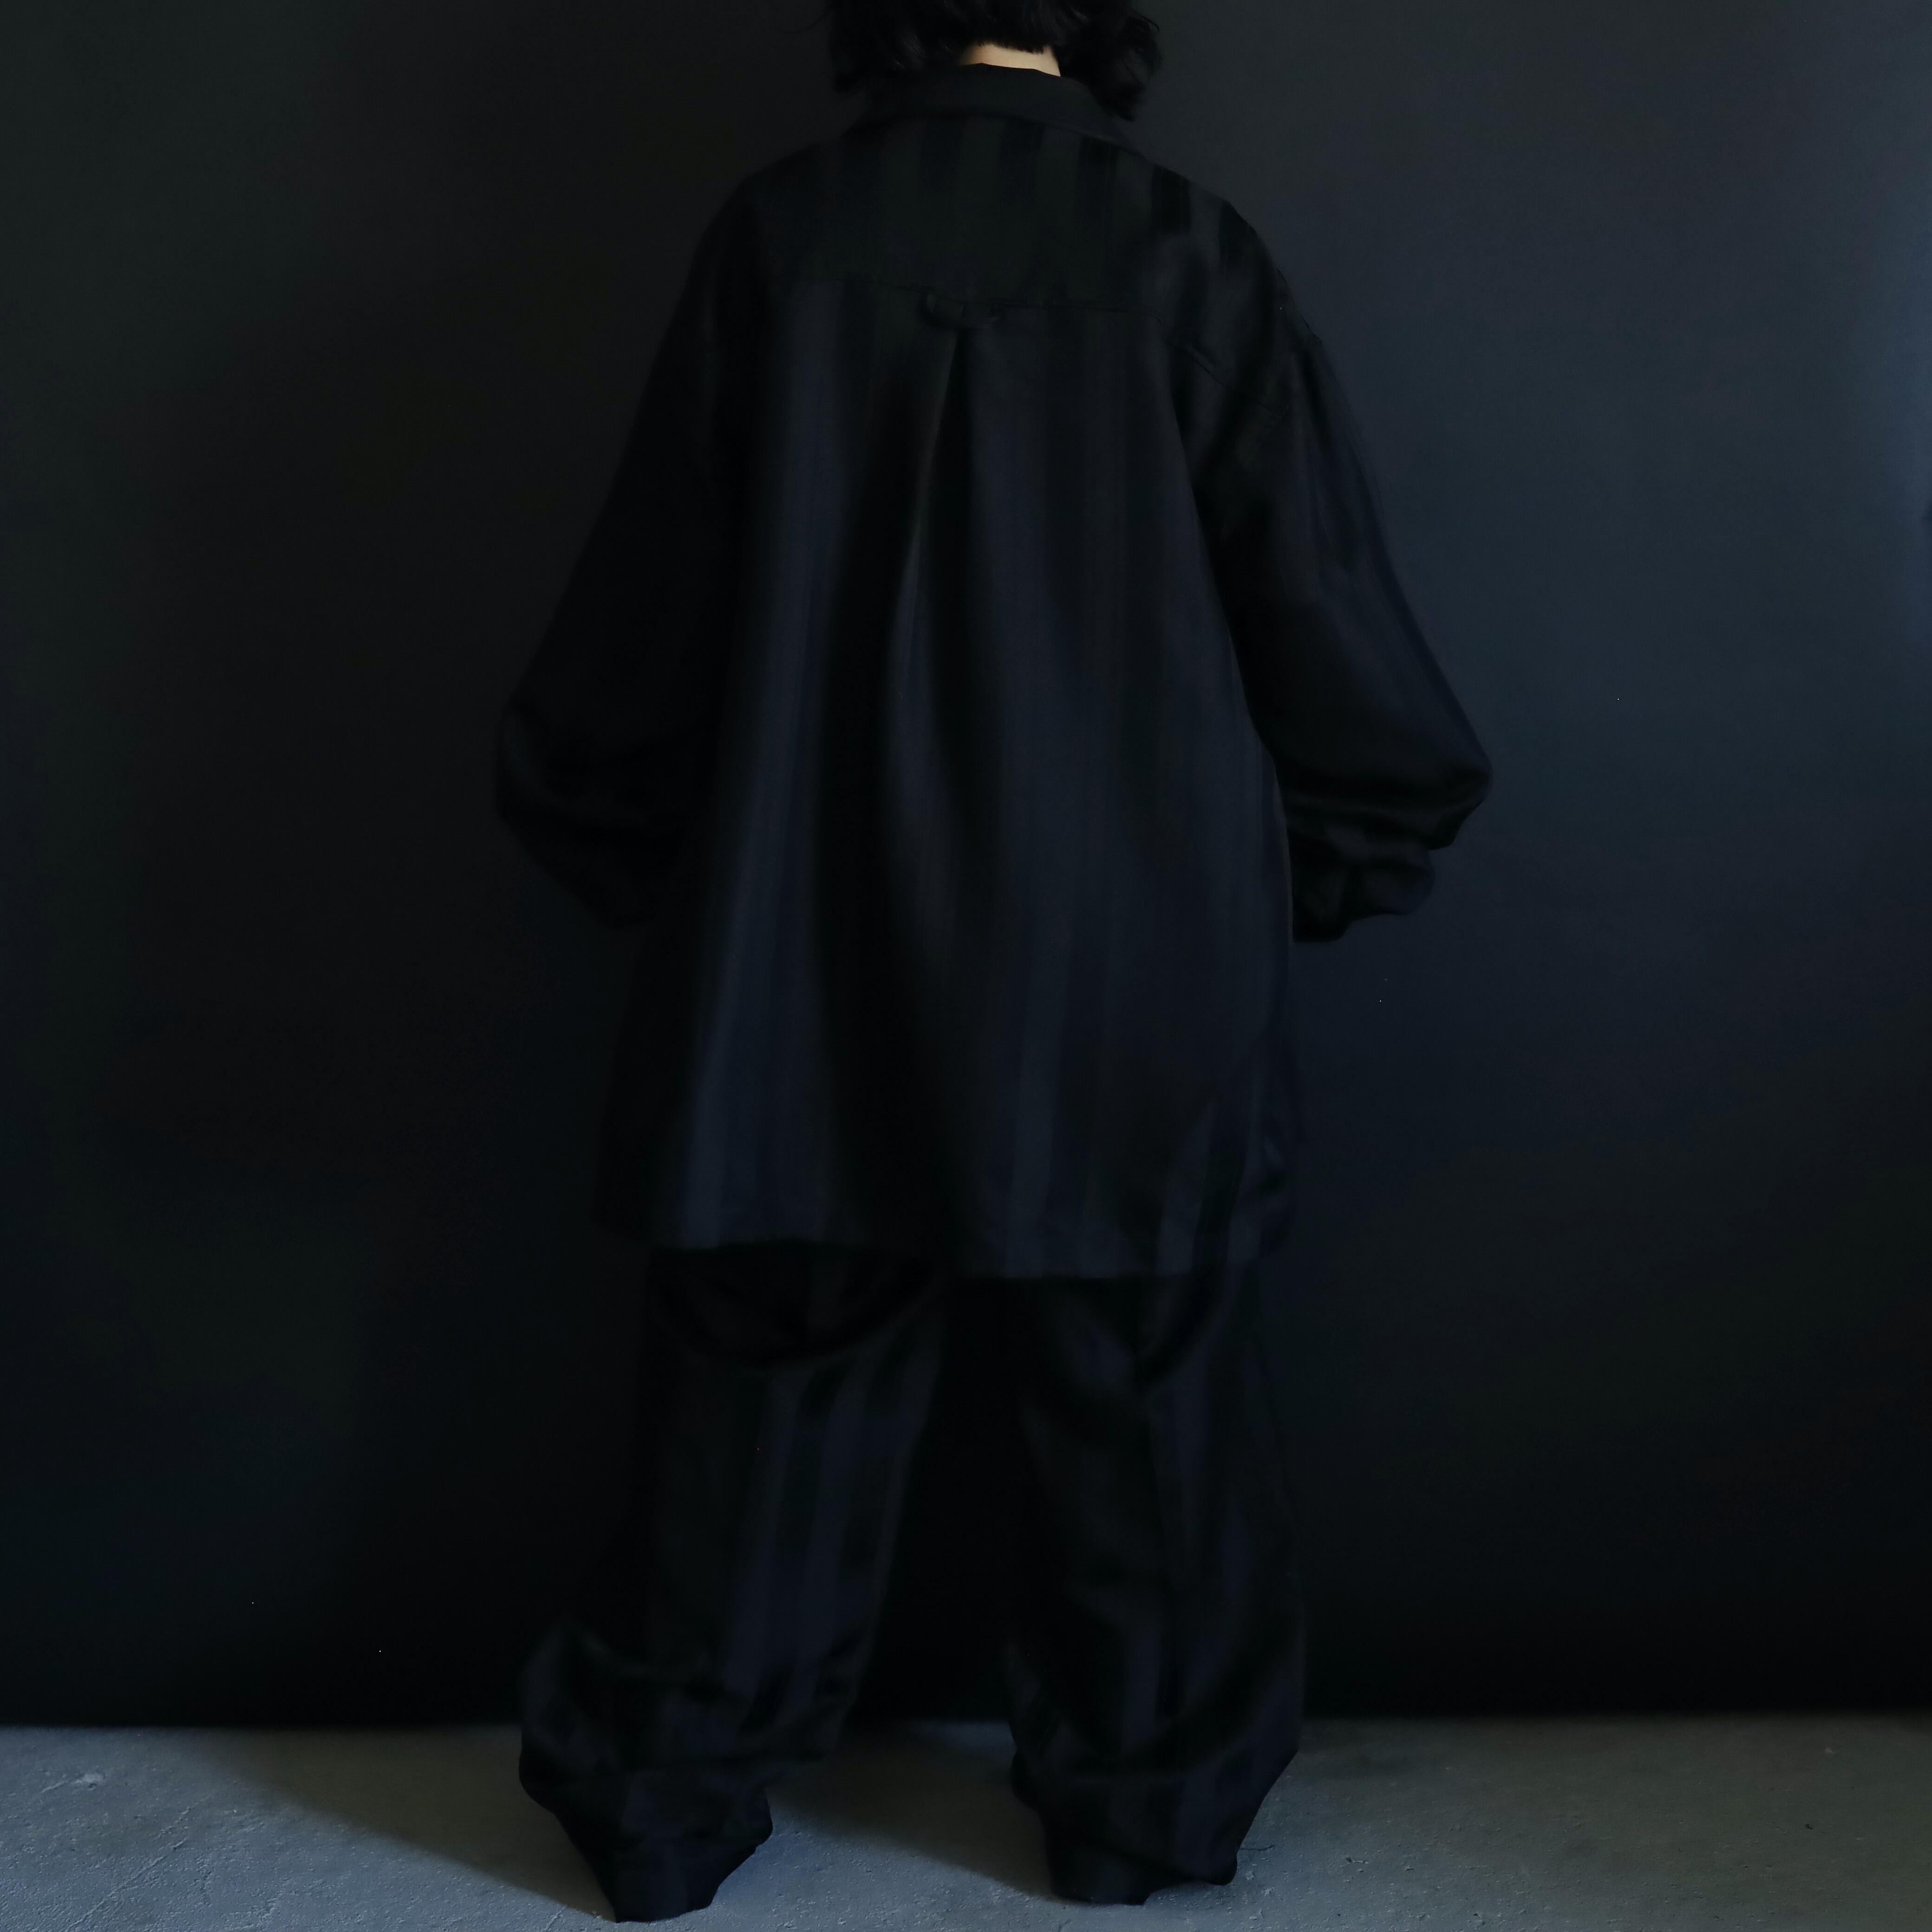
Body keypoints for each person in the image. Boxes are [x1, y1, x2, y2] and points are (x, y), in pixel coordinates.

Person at [496, 2, 1490, 1920]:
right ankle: (1148, 1821)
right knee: (1145, 1399)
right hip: (1129, 958)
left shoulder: (783, 239)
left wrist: (612, 824)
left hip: (804, 942)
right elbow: (1321, 610)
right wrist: (1331, 856)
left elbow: (654, 589)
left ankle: (659, 1814)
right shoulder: (1188, 253)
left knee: (768, 1388)